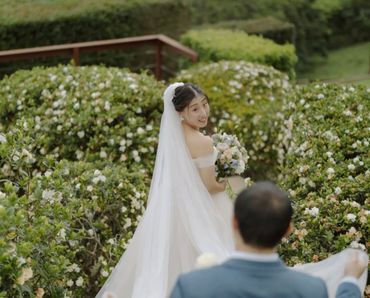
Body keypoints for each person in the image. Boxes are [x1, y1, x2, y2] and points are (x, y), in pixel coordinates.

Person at [95, 82, 235, 298]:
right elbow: (209, 186)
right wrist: (229, 181)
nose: (203, 113)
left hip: (170, 206)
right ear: (180, 112)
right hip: (200, 208)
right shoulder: (203, 142)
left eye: (204, 105)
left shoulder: (174, 136)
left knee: (167, 261)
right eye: (195, 108)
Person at [170, 182, 368, 298]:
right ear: (288, 230)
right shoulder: (311, 290)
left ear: (233, 222)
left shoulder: (191, 287)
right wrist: (349, 280)